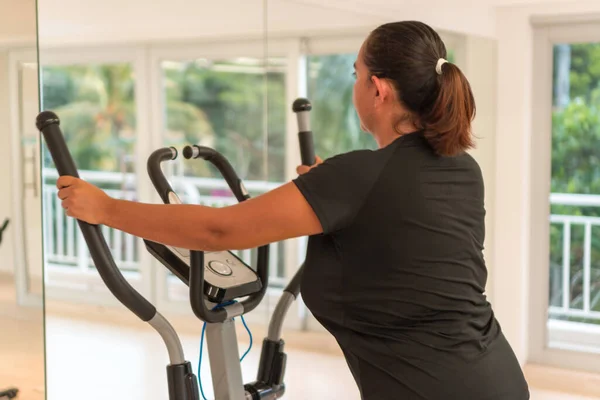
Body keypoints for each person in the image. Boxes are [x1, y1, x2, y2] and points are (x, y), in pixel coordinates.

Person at [56, 20, 530, 400]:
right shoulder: (461, 168)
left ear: (379, 90)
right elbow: (401, 234)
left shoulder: (358, 178)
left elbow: (220, 230)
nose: (356, 87)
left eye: (356, 76)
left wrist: (105, 207)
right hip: (497, 377)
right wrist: (325, 192)